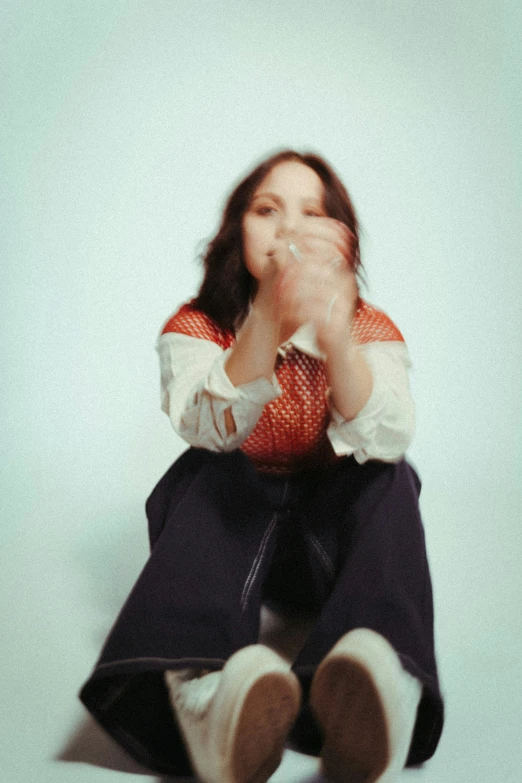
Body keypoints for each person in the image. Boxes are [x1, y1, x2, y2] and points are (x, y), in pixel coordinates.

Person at [80, 149, 444, 783]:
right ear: (236, 231)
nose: (289, 231)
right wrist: (270, 316)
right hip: (234, 548)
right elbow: (206, 425)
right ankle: (207, 695)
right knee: (206, 468)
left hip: (327, 554)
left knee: (390, 473)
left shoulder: (369, 329)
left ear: (341, 238)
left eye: (312, 214)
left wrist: (336, 339)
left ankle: (382, 681)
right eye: (267, 210)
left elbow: (388, 434)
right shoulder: (195, 328)